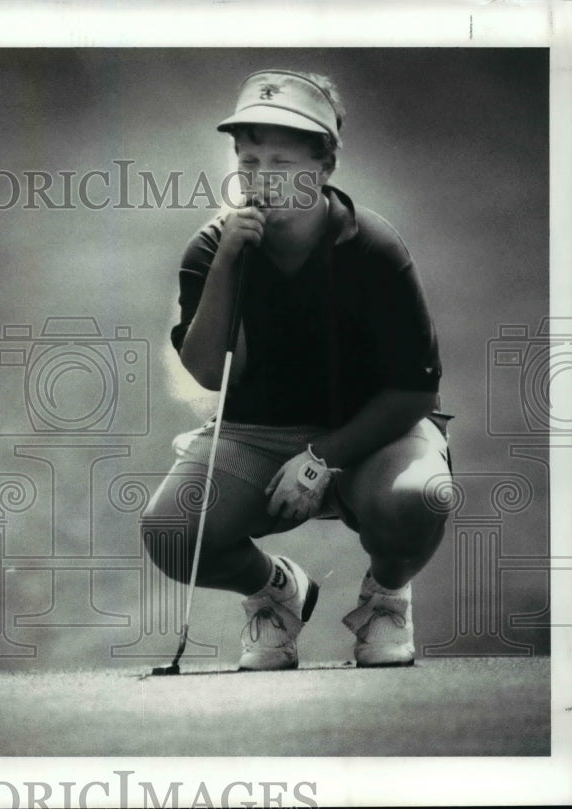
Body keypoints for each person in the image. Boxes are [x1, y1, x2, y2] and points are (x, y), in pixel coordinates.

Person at [142, 69, 453, 670]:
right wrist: (230, 260)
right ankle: (274, 595)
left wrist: (321, 455)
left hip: (375, 430)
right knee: (171, 530)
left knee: (423, 495)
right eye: (249, 159)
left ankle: (386, 598)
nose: (261, 179)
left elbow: (415, 389)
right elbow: (209, 373)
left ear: (324, 166)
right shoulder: (212, 249)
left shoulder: (374, 249)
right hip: (257, 431)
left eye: (281, 163)